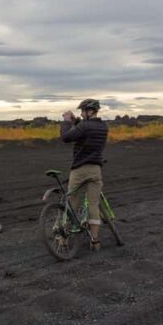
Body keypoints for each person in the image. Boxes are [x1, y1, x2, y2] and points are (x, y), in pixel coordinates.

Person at [61, 98, 108, 250]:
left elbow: (66, 137)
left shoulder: (85, 126)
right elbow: (83, 130)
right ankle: (95, 241)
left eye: (83, 111)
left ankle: (64, 239)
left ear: (90, 111)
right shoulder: (103, 127)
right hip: (96, 170)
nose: (81, 113)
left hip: (80, 169)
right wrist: (76, 121)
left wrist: (67, 121)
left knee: (72, 202)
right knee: (93, 204)